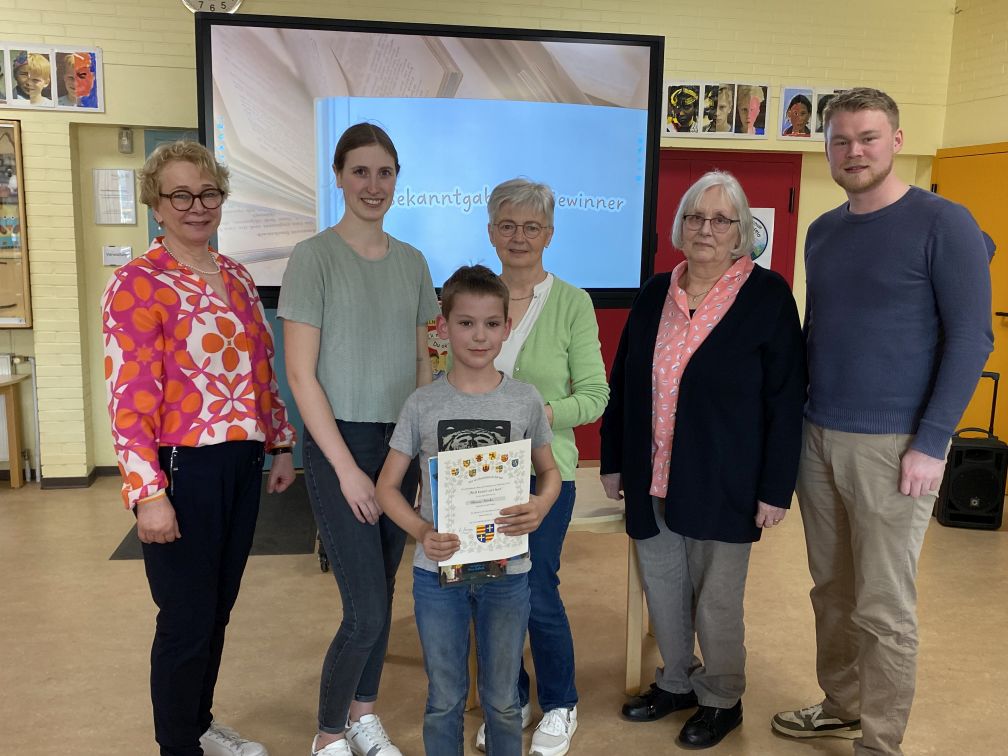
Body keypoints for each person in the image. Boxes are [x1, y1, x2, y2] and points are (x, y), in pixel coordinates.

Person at [771, 88, 994, 755]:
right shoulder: (823, 231)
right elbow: (819, 332)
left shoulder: (944, 223)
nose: (854, 152)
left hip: (896, 446)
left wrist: (933, 441)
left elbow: (972, 339)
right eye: (840, 140)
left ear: (896, 140)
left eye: (868, 138)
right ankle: (841, 705)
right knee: (832, 592)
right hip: (819, 435)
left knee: (884, 605)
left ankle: (880, 742)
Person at [102, 140, 297, 756]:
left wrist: (281, 442)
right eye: (180, 195)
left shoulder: (236, 275)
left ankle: (199, 725)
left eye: (208, 193)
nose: (197, 206)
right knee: (185, 620)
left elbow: (262, 370)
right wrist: (147, 494)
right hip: (181, 468)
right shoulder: (138, 282)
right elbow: (129, 396)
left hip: (241, 461)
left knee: (217, 609)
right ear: (156, 204)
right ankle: (178, 746)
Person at [600, 170, 806, 749]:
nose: (706, 229)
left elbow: (786, 399)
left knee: (716, 599)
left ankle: (721, 697)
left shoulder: (767, 297)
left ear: (741, 231)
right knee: (664, 588)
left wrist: (775, 489)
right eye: (695, 216)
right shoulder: (655, 293)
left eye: (721, 219)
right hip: (652, 473)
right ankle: (675, 681)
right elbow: (624, 379)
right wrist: (613, 459)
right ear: (680, 225)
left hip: (727, 478)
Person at [279, 122, 440, 756]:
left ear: (397, 179)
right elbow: (300, 375)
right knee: (366, 610)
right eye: (360, 172)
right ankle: (328, 735)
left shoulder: (413, 262)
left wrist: (421, 453)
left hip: (401, 447)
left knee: (385, 588)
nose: (374, 185)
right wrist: (346, 469)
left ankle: (363, 717)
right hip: (339, 443)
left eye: (385, 172)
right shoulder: (313, 257)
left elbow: (425, 362)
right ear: (339, 177)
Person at [376, 264, 562, 756]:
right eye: (466, 323)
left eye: (491, 323)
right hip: (438, 573)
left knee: (502, 700)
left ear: (506, 327)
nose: (480, 335)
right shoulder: (422, 404)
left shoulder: (524, 400)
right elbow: (386, 489)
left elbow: (550, 473)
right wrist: (421, 531)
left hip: (508, 571)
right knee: (444, 699)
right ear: (444, 327)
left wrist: (541, 505)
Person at [469, 178, 609, 756]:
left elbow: (595, 396)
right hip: (477, 471)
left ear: (549, 234)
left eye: (531, 226)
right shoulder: (472, 295)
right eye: (507, 225)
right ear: (490, 231)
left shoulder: (573, 303)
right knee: (488, 591)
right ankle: (511, 698)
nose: (519, 237)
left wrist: (538, 413)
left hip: (547, 471)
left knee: (535, 587)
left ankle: (560, 703)